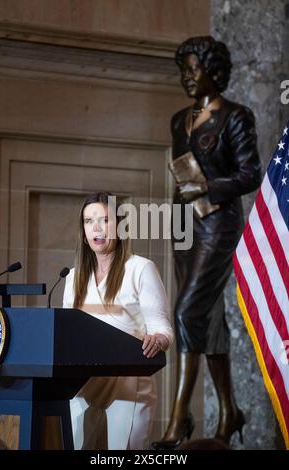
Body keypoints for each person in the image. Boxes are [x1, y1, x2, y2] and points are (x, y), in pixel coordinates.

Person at [152, 36, 261, 449]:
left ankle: (180, 416)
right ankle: (230, 410)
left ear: (213, 72)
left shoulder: (236, 116)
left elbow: (251, 174)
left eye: (193, 69)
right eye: (183, 70)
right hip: (185, 225)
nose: (186, 76)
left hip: (219, 223)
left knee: (185, 312)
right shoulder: (179, 119)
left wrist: (209, 188)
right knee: (209, 320)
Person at [63, 192, 174, 450]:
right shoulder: (73, 277)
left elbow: (162, 327)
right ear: (83, 231)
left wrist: (158, 339)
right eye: (89, 221)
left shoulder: (140, 268)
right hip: (84, 383)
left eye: (104, 220)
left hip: (129, 383)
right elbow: (66, 333)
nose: (97, 228)